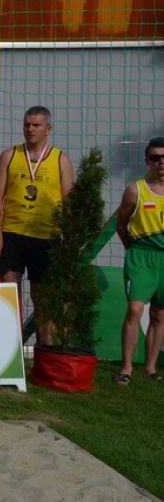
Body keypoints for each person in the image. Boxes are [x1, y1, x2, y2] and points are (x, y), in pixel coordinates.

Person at [0, 106, 74, 345]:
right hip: (11, 234)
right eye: (27, 124)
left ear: (48, 128)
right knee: (9, 294)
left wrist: (68, 241)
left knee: (42, 298)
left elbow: (69, 203)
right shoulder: (9, 156)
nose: (30, 129)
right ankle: (10, 351)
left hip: (46, 236)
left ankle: (44, 350)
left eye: (36, 125)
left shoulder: (61, 159)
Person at [113, 137, 164, 386]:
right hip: (141, 256)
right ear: (147, 161)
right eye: (155, 158)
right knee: (135, 309)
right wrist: (131, 250)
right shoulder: (136, 190)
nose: (161, 162)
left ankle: (151, 368)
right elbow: (121, 224)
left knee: (160, 314)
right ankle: (126, 368)